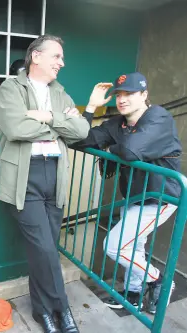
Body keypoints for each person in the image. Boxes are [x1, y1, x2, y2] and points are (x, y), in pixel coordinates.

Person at [0, 34, 90, 333]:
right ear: (36, 56)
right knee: (46, 250)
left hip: (55, 176)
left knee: (43, 250)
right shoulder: (11, 88)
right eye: (56, 57)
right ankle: (63, 310)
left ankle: (42, 312)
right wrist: (59, 125)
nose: (62, 63)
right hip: (26, 177)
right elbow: (15, 126)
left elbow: (82, 130)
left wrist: (46, 115)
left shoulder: (59, 93)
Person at [73, 72, 181, 314]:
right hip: (134, 196)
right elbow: (81, 140)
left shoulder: (158, 117)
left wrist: (111, 147)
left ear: (144, 95)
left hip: (160, 197)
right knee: (135, 247)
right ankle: (133, 293)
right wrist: (90, 108)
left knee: (116, 246)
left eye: (129, 94)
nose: (122, 100)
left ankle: (159, 280)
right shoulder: (118, 123)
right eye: (119, 95)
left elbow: (131, 152)